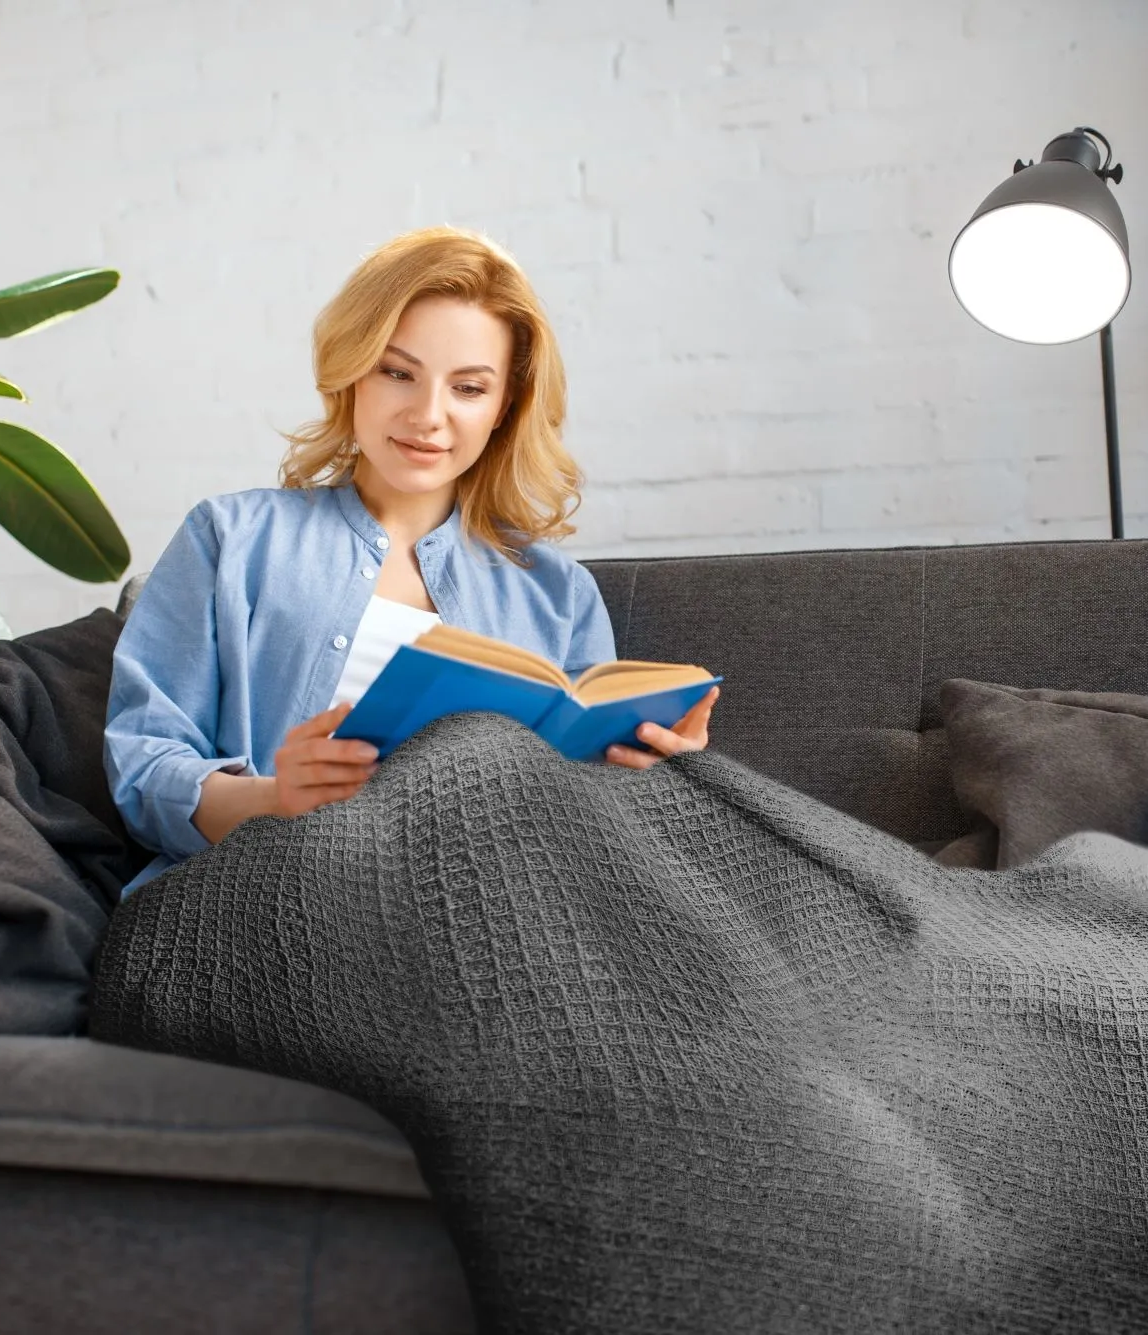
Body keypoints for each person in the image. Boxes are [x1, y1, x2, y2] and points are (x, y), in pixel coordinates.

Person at [104, 225, 721, 899]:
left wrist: (657, 777)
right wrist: (272, 798)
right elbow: (142, 766)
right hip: (259, 902)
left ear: (503, 407)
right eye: (397, 373)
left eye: (467, 388)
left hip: (483, 919)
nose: (427, 416)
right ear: (351, 375)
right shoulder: (231, 538)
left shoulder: (556, 595)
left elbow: (579, 840)